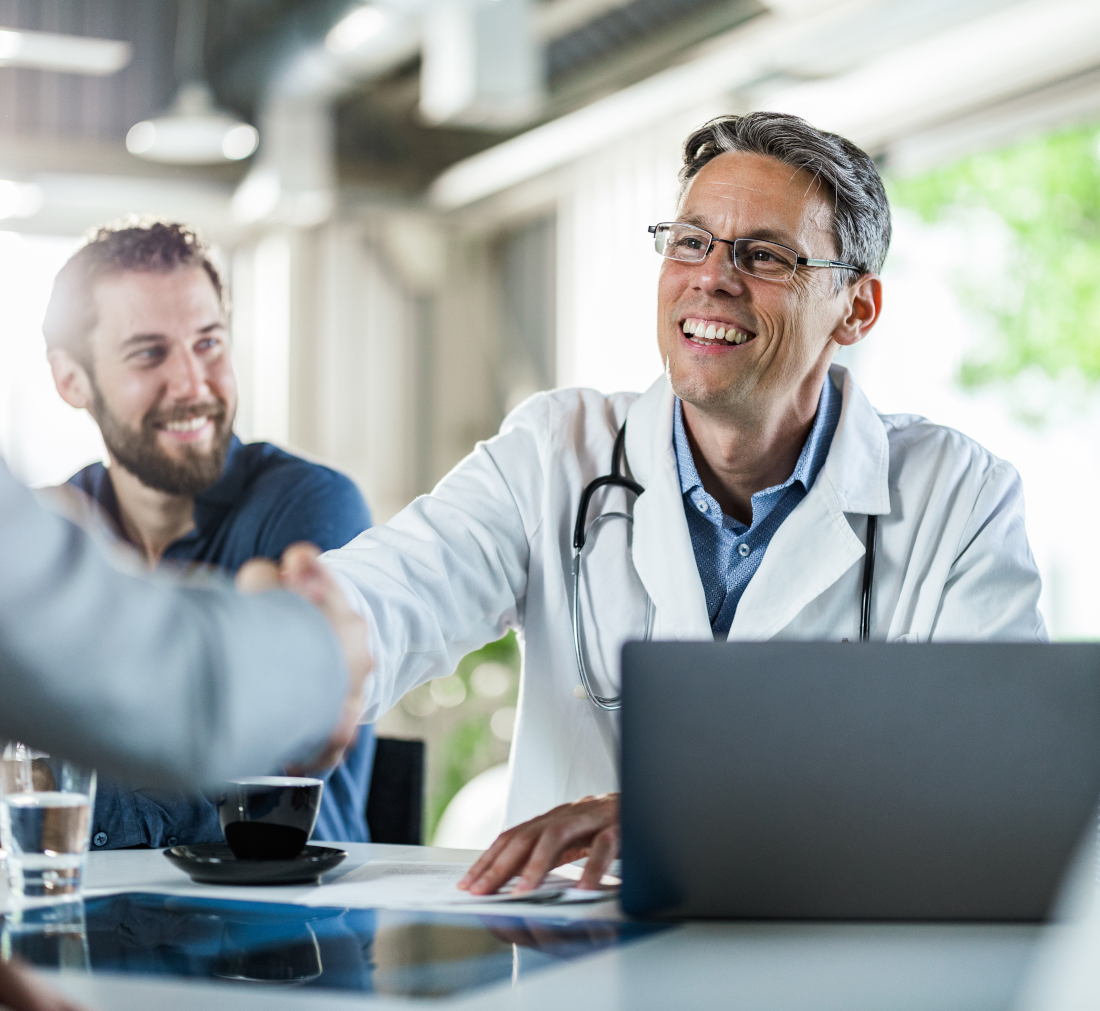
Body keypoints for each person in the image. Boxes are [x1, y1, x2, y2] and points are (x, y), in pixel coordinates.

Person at [317, 111, 1046, 894]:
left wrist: (684, 816)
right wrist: (297, 648)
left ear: (856, 308)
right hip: (584, 947)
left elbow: (1005, 785)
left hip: (831, 945)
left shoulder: (957, 496)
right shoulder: (556, 452)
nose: (713, 277)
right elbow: (391, 600)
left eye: (764, 255)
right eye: (692, 242)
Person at [40, 219, 375, 851]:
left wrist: (60, 788)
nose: (194, 384)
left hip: (279, 907)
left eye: (209, 344)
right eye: (149, 353)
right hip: (85, 906)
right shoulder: (57, 528)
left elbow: (259, 780)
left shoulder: (310, 505)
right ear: (71, 380)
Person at [0, 454, 373, 1011]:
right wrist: (321, 651)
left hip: (283, 948)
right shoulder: (60, 513)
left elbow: (266, 792)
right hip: (104, 946)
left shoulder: (304, 499)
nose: (194, 397)